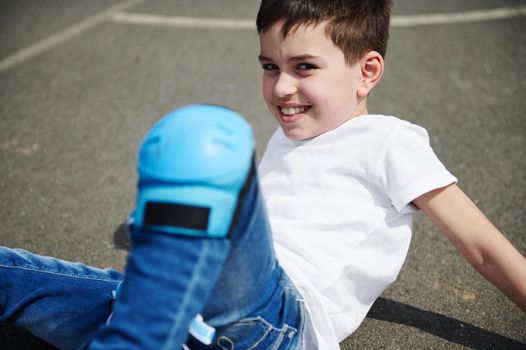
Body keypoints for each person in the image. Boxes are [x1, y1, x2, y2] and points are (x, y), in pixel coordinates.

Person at [1, 0, 525, 349]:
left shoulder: (390, 141)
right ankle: (156, 316)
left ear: (367, 72)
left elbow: (484, 247)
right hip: (191, 302)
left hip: (277, 318)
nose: (279, 88)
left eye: (304, 67)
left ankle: (148, 326)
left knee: (205, 140)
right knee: (18, 275)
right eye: (269, 66)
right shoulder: (284, 139)